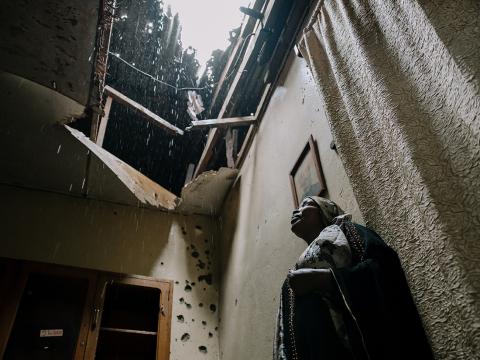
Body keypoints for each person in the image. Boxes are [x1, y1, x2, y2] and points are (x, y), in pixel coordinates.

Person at [273, 196, 433, 360]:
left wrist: (329, 279)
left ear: (326, 211)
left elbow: (383, 266)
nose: (295, 211)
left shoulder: (349, 232)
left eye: (306, 205)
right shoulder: (296, 270)